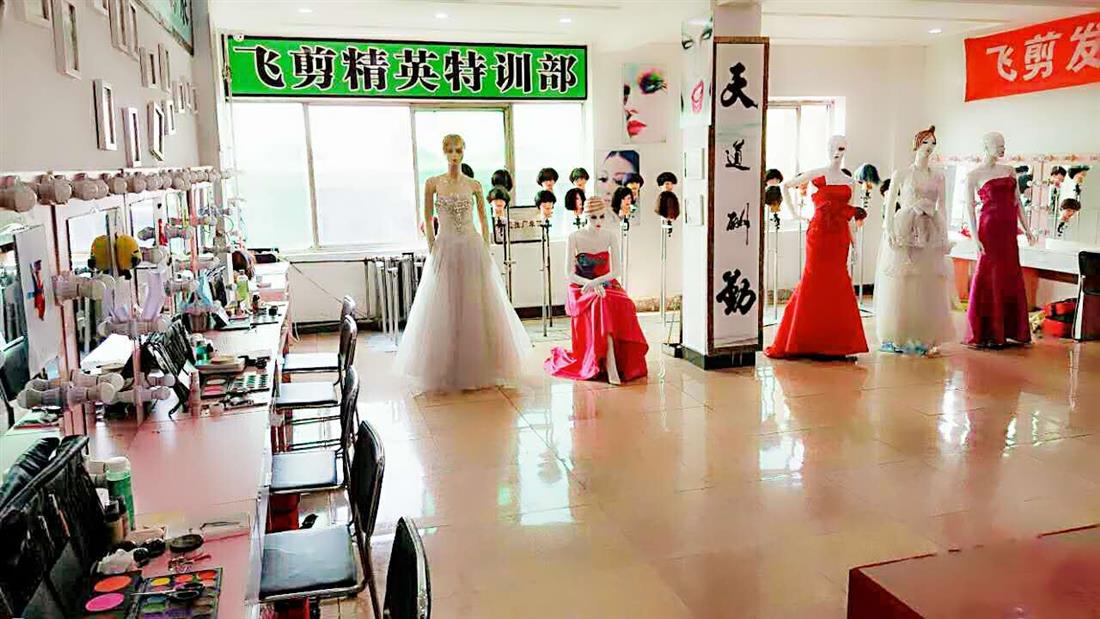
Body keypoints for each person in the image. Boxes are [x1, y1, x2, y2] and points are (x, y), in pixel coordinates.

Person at [395, 134, 530, 392]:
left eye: (458, 150)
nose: (454, 155)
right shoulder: (433, 183)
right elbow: (428, 218)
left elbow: (484, 219)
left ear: (464, 151)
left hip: (471, 247)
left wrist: (486, 247)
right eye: (450, 150)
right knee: (444, 305)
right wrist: (432, 247)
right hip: (445, 247)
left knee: (476, 303)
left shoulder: (474, 185)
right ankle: (446, 367)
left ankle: (483, 365)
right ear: (444, 152)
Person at [766, 135, 868, 359]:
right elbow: (785, 185)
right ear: (827, 148)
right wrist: (795, 214)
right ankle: (803, 339)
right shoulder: (816, 174)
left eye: (841, 148)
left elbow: (850, 215)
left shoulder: (850, 182)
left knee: (838, 281)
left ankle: (836, 343)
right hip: (819, 234)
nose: (837, 152)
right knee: (813, 279)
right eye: (834, 147)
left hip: (839, 236)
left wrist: (855, 244)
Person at [545, 196, 648, 383]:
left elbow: (616, 271)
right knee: (601, 302)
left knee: (625, 303)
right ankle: (609, 362)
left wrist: (598, 282)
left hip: (606, 282)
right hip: (580, 286)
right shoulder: (574, 237)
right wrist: (590, 284)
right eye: (593, 217)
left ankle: (618, 359)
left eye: (601, 216)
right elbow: (569, 273)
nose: (598, 221)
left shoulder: (609, 236)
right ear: (585, 216)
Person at [874, 126, 954, 355]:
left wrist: (944, 233)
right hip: (907, 226)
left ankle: (925, 333)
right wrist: (890, 230)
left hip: (930, 228)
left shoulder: (939, 176)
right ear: (916, 144)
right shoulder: (902, 173)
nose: (929, 147)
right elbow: (890, 204)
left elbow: (943, 206)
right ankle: (901, 332)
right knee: (905, 278)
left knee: (928, 280)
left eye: (933, 143)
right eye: (925, 142)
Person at [964, 131, 1036, 348]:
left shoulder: (1009, 170)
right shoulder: (974, 175)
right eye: (999, 145)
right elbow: (969, 209)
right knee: (989, 274)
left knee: (1010, 274)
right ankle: (987, 331)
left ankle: (1011, 329)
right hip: (989, 230)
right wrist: (975, 238)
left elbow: (1017, 202)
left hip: (1008, 231)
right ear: (986, 147)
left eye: (1004, 145)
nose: (1003, 148)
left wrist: (1027, 229)